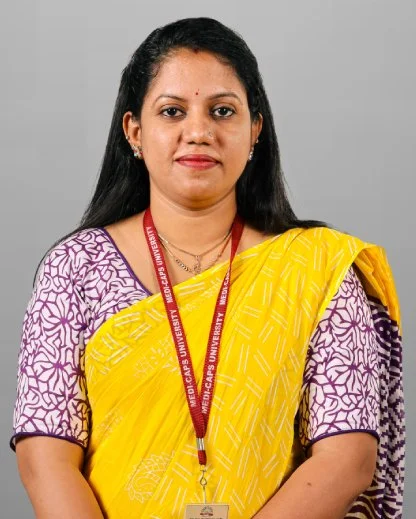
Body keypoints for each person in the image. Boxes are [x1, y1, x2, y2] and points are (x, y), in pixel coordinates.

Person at [10, 17, 404, 519]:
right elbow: (45, 459)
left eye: (222, 111)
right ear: (135, 131)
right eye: (172, 111)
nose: (198, 132)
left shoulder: (318, 271)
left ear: (254, 129)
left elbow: (347, 460)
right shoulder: (75, 269)